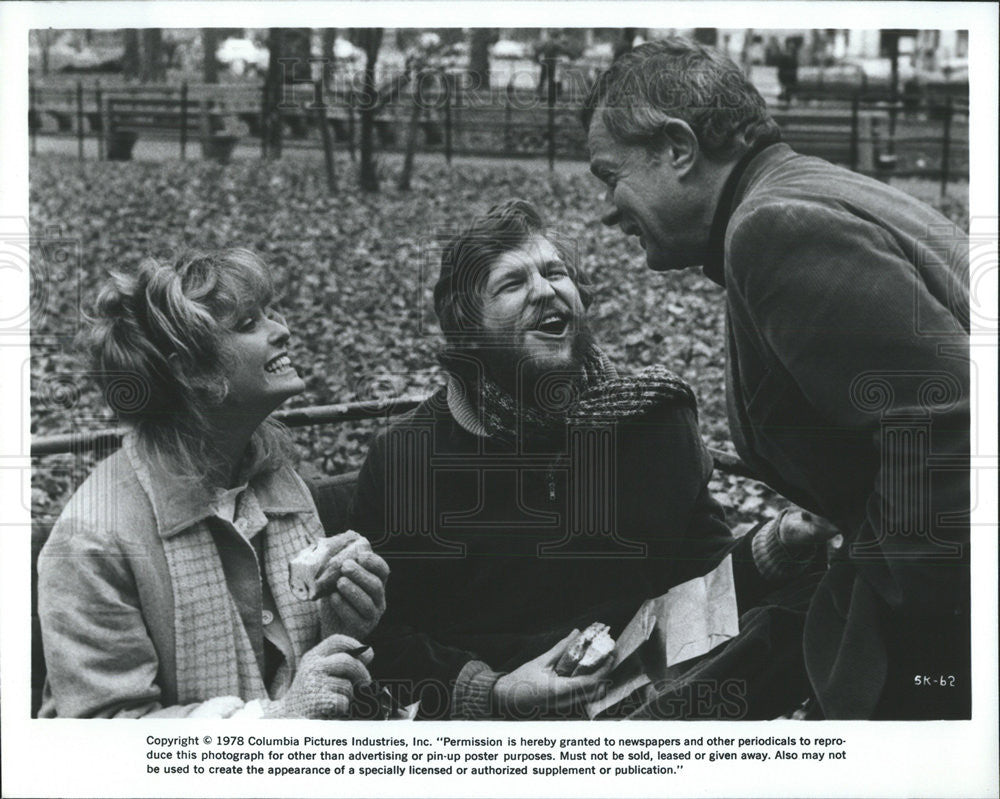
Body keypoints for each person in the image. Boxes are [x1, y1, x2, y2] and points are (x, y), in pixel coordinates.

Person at [582, 37, 970, 719]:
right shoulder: (802, 191)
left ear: (677, 148)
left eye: (610, 176)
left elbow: (943, 423)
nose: (607, 208)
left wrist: (900, 623)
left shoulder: (771, 227)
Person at [346, 199, 839, 720]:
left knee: (829, 596)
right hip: (503, 725)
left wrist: (784, 539)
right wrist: (494, 691)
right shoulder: (411, 454)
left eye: (555, 272)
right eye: (511, 284)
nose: (545, 289)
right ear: (467, 328)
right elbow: (387, 635)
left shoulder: (648, 419)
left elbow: (703, 578)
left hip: (658, 692)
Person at [37, 249, 389, 718]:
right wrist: (278, 726)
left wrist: (339, 620)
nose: (281, 330)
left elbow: (296, 674)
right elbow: (101, 737)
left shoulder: (274, 477)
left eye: (268, 312)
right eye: (248, 324)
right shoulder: (94, 538)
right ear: (189, 370)